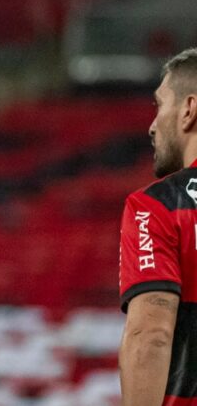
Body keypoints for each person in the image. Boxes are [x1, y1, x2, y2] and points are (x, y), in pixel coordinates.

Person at [119, 48, 197, 404]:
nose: (152, 125)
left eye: (159, 105)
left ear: (189, 109)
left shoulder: (157, 206)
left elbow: (150, 336)